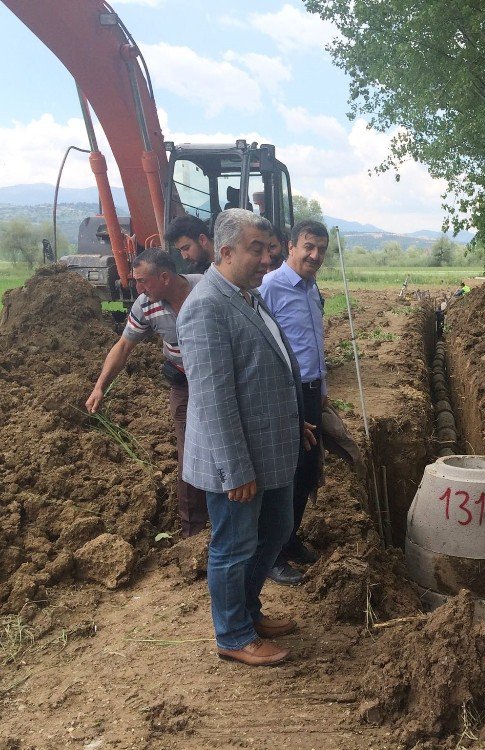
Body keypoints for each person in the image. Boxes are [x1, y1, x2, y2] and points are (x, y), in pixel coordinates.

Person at [176, 208, 315, 667]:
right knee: (234, 545)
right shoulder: (206, 307)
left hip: (270, 449)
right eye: (257, 249)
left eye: (269, 249)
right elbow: (214, 400)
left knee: (275, 530)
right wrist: (234, 469)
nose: (267, 258)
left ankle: (248, 610)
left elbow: (267, 369)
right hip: (238, 460)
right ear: (225, 250)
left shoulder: (246, 296)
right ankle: (232, 634)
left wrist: (295, 421)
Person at [85, 248, 208, 538]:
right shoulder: (145, 305)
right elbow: (124, 347)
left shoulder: (207, 288)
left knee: (227, 445)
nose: (138, 288)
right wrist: (100, 385)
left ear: (164, 277)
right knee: (188, 453)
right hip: (183, 384)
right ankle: (194, 532)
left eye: (143, 281)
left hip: (222, 382)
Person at [258, 219, 329, 585]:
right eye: (309, 246)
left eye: (321, 249)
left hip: (312, 391)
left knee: (305, 471)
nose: (315, 255)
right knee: (283, 474)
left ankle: (289, 539)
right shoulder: (269, 288)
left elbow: (313, 341)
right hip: (288, 393)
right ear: (291, 246)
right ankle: (270, 556)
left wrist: (323, 389)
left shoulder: (312, 287)